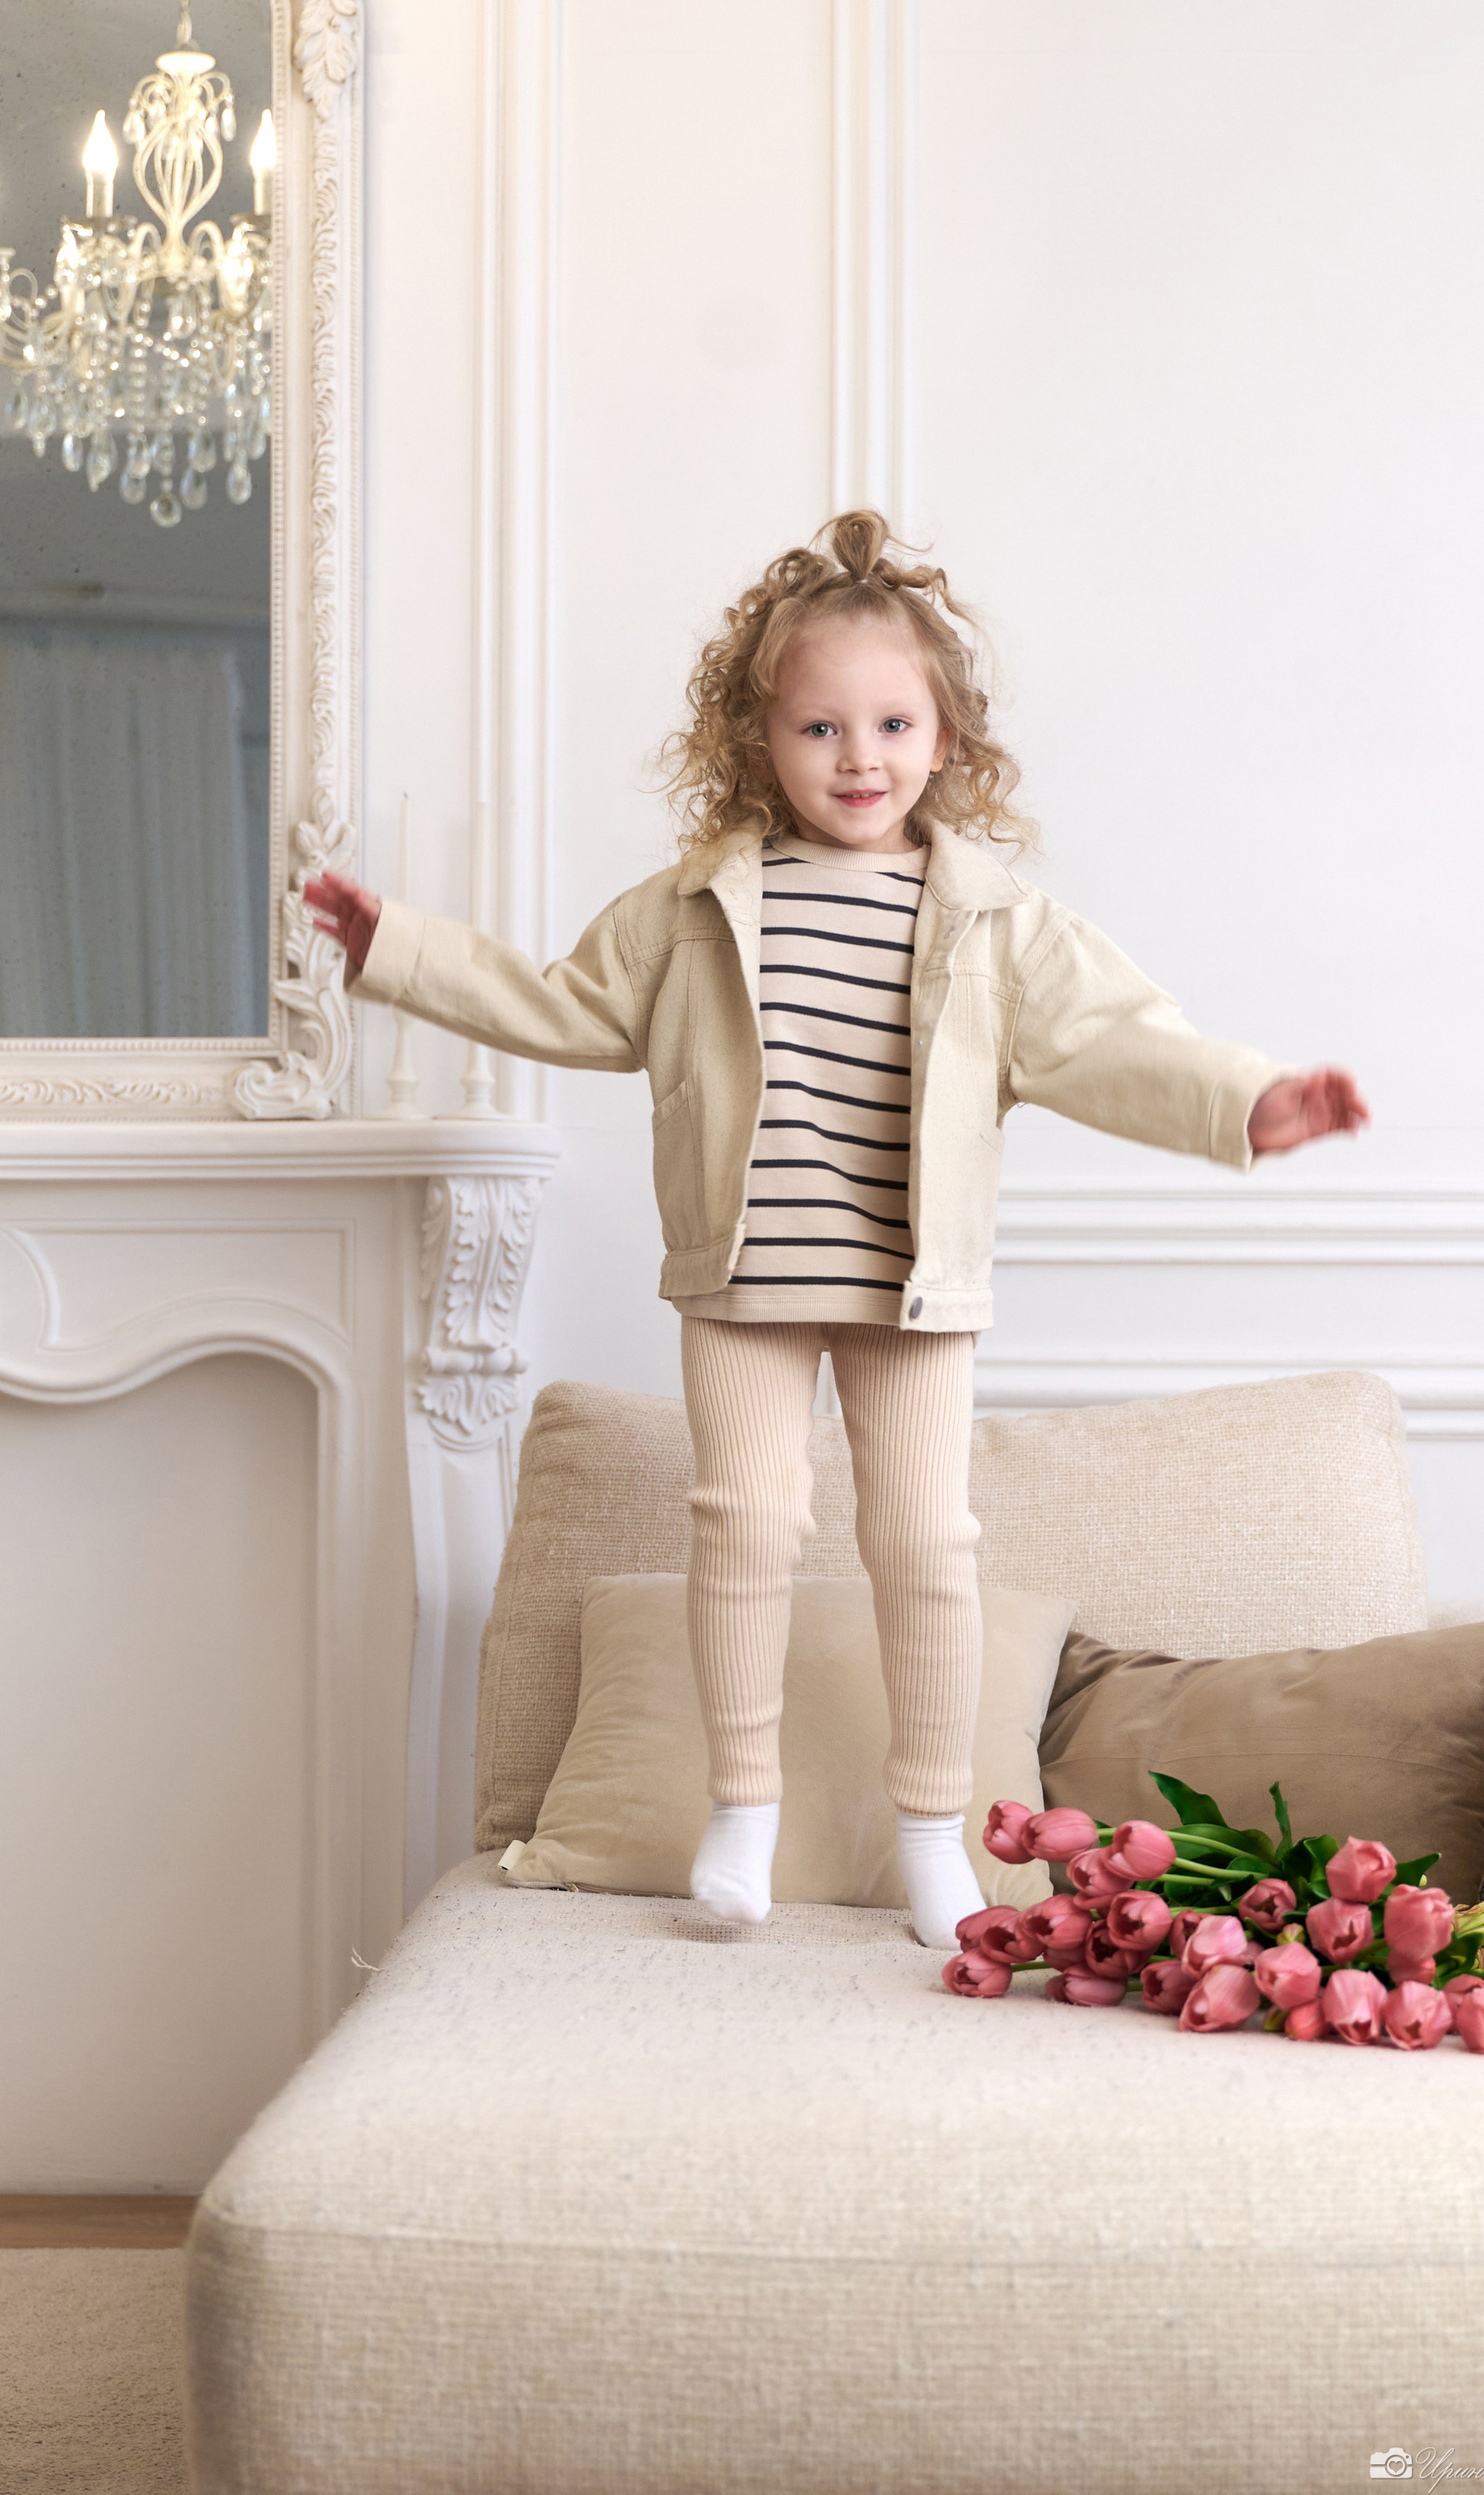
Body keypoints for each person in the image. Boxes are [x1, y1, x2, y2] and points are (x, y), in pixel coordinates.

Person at [306, 509, 1368, 1947]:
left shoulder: (991, 920)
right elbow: (565, 1006)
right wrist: (400, 951)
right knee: (746, 1523)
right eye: (819, 727)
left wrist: (1250, 1103)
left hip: (914, 1292)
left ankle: (933, 1834)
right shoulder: (694, 906)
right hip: (744, 1280)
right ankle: (741, 1809)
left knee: (925, 1547)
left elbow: (1116, 1040)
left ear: (945, 736)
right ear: (761, 742)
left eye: (891, 724)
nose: (858, 758)